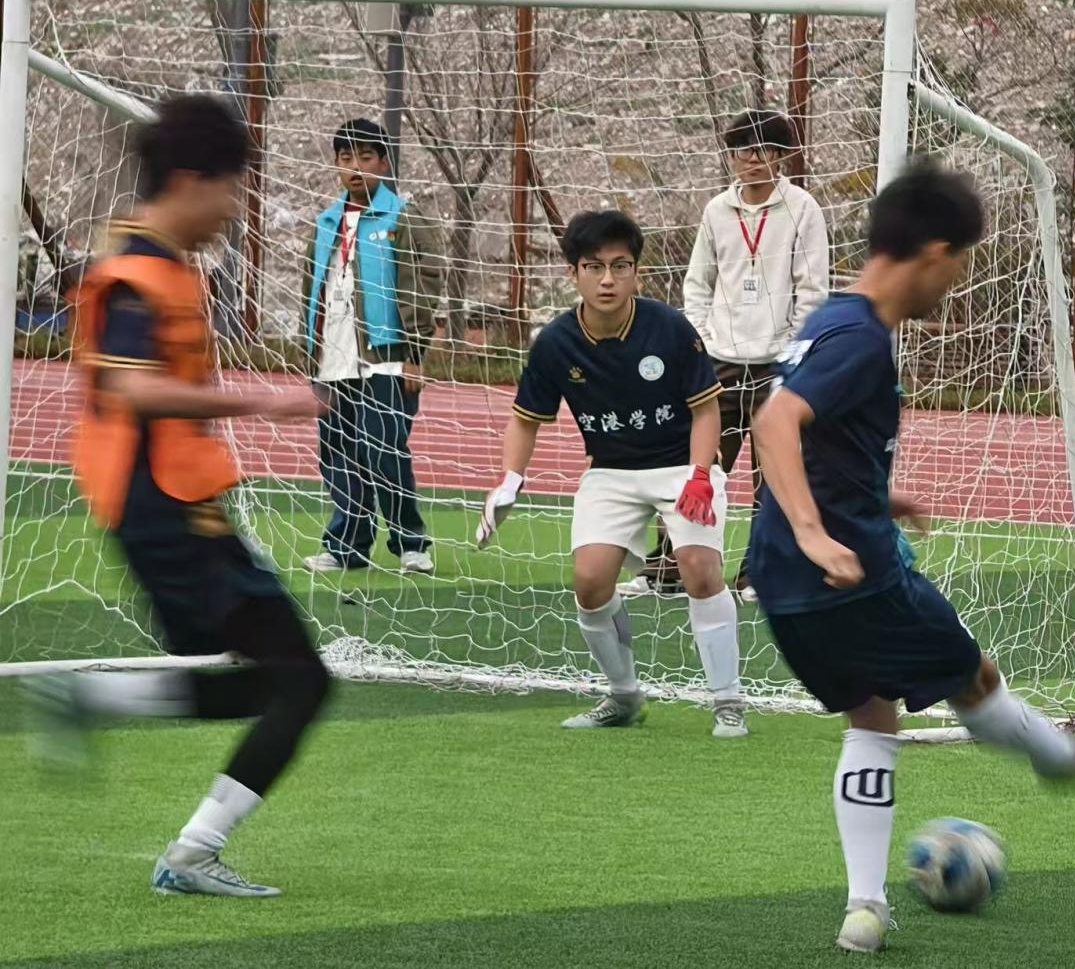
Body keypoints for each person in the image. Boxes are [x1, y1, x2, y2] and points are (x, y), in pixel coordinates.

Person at [748, 161, 1075, 953]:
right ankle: (1057, 756)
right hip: (851, 574)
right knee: (974, 678)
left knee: (871, 711)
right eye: (961, 262)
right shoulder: (862, 339)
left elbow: (800, 436)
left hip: (782, 582)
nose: (957, 281)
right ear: (935, 252)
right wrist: (815, 530)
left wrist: (869, 499)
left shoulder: (828, 319)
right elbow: (774, 427)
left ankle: (864, 908)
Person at [26, 95, 331, 897]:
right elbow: (130, 391)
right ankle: (193, 851)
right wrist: (261, 401)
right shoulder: (136, 273)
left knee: (276, 680)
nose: (234, 210)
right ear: (193, 180)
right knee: (299, 680)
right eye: (231, 189)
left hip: (177, 503)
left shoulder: (152, 259)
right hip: (162, 507)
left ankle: (93, 697)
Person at [477, 210, 747, 737]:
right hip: (611, 471)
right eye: (594, 267)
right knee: (590, 581)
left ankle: (728, 701)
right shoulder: (555, 342)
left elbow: (706, 410)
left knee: (698, 568)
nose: (608, 279)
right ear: (573, 273)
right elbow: (525, 420)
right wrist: (510, 480)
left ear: (636, 272)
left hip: (683, 465)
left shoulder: (669, 327)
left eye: (620, 266)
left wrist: (700, 474)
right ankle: (624, 697)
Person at [621, 110, 828, 601]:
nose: (751, 159)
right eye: (742, 150)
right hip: (719, 363)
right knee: (698, 466)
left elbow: (813, 289)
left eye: (762, 150)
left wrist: (792, 351)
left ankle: (759, 573)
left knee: (774, 476)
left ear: (780, 156)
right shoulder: (717, 210)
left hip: (778, 365)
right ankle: (669, 569)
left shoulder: (802, 209)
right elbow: (698, 283)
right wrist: (700, 342)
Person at [300, 118, 445, 575]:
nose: (355, 167)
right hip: (332, 358)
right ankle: (347, 547)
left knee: (384, 451)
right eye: (346, 158)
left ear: (384, 163)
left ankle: (411, 543)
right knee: (338, 456)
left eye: (366, 157)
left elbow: (423, 286)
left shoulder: (404, 217)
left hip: (386, 357)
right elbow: (311, 288)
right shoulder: (326, 222)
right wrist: (310, 353)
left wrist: (415, 355)